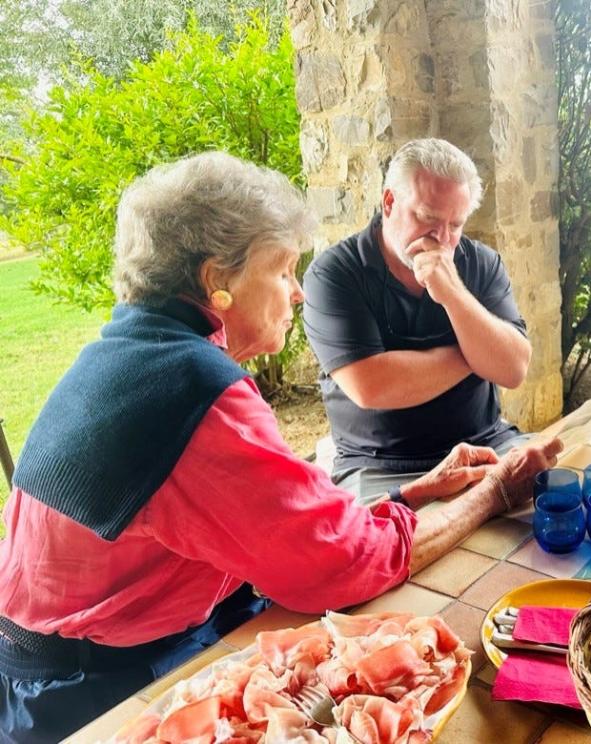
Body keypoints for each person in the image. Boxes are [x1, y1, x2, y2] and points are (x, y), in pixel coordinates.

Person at [0, 152, 561, 744]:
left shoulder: (135, 353)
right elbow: (343, 566)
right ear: (218, 281)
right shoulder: (195, 391)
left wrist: (414, 494)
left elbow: (280, 518)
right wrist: (493, 494)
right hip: (88, 695)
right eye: (284, 270)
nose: (296, 293)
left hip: (79, 656)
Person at [302, 138, 533, 502]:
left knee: (558, 506)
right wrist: (475, 355)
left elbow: (513, 369)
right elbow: (372, 386)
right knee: (384, 554)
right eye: (427, 218)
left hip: (486, 444)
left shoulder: (481, 264)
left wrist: (454, 293)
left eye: (455, 224)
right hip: (378, 466)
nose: (441, 238)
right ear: (389, 202)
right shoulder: (334, 273)